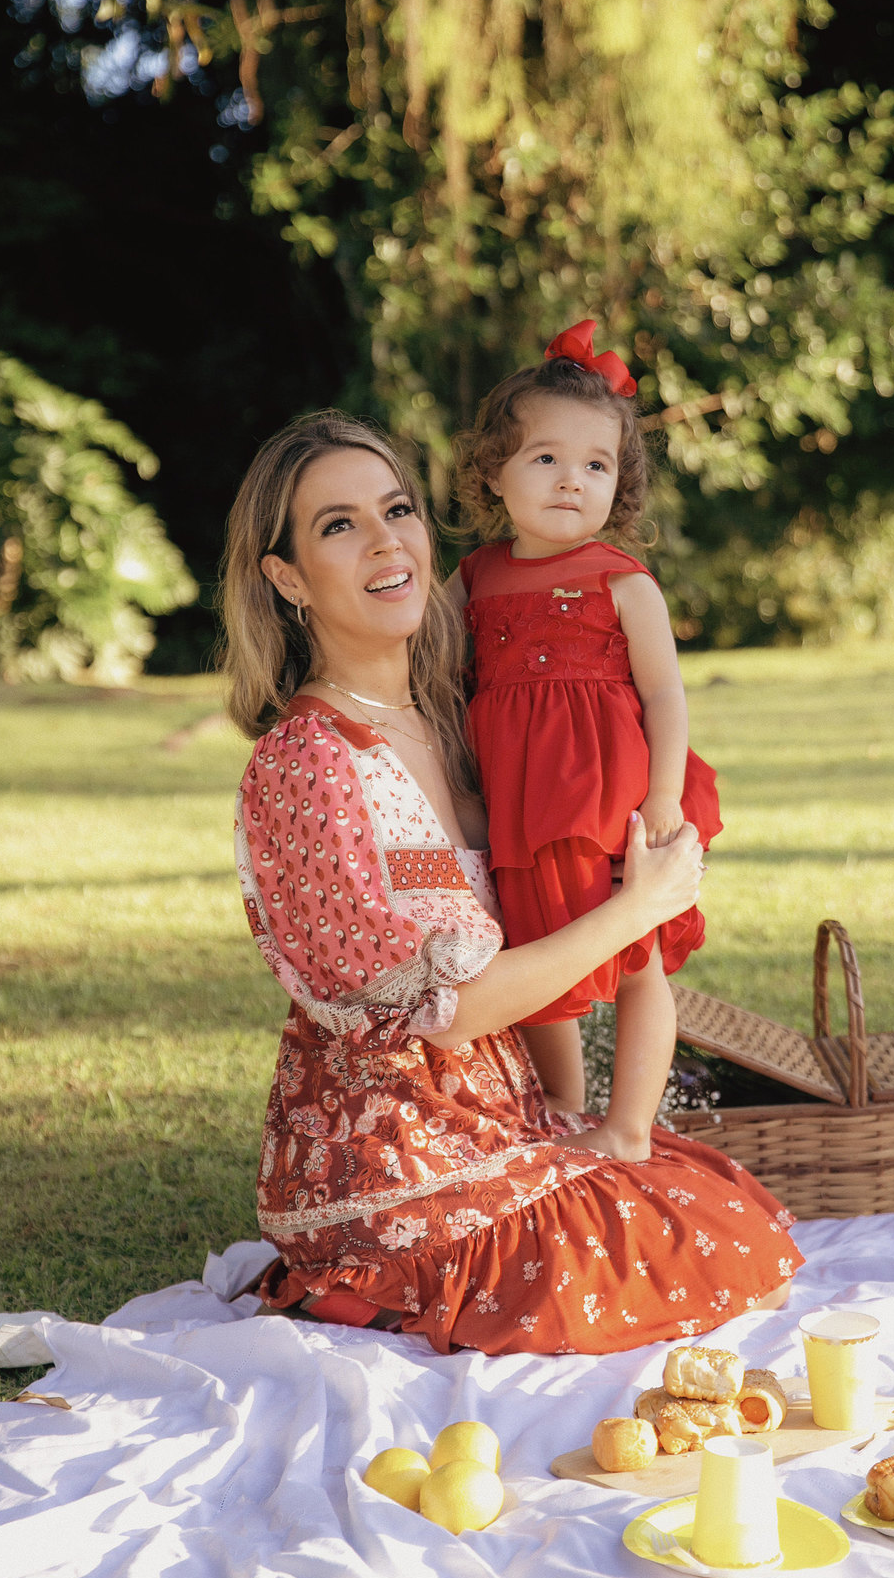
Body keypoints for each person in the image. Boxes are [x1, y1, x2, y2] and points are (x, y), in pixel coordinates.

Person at [220, 408, 803, 1354]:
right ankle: (370, 1283)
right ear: (286, 577)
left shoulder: (465, 726)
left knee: (716, 1210)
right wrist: (637, 909)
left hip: (506, 1113)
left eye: (397, 509)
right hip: (388, 1157)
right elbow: (445, 1012)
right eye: (339, 525)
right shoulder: (310, 765)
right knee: (676, 1252)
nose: (386, 541)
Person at [450, 320, 719, 1158]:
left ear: (620, 483)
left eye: (596, 465)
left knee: (636, 956)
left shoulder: (623, 582)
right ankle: (563, 1106)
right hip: (522, 806)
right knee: (538, 954)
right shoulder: (474, 579)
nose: (573, 481)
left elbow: (665, 696)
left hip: (615, 803)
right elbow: (452, 688)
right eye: (546, 459)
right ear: (495, 472)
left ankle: (629, 1128)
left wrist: (664, 803)